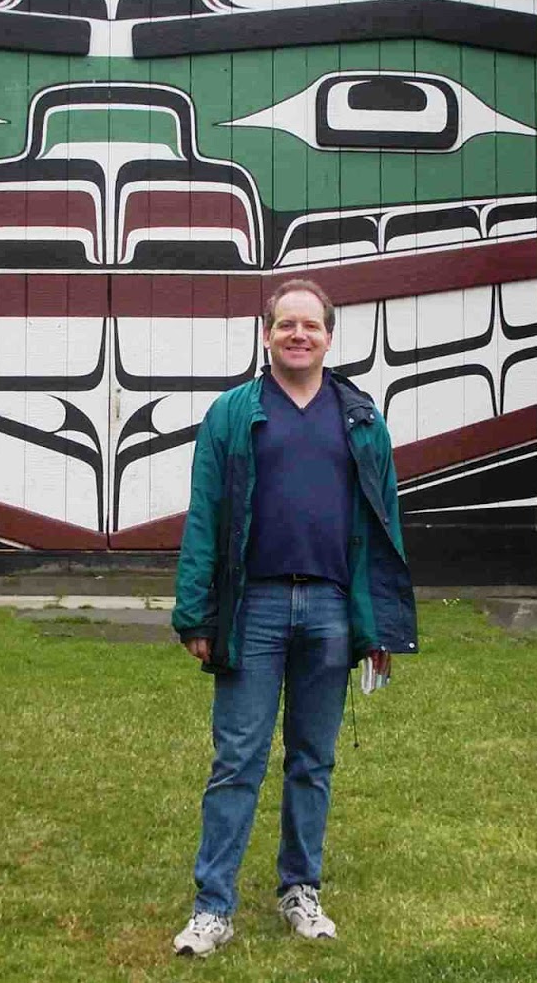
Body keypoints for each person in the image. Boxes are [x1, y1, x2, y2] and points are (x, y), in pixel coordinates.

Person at [170, 278, 418, 957]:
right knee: (237, 761)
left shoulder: (361, 419)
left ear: (329, 337)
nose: (298, 335)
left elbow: (384, 525)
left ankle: (300, 890)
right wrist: (195, 613)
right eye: (286, 325)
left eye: (311, 325)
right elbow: (205, 515)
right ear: (267, 334)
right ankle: (212, 907)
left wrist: (381, 625)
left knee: (313, 761)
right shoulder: (232, 414)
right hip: (254, 607)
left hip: (332, 610)